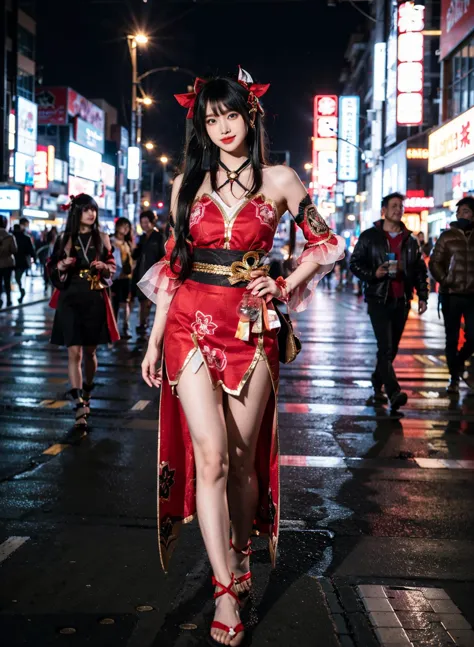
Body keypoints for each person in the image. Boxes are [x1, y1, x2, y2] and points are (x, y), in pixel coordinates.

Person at [139, 68, 345, 645]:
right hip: (187, 325)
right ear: (201, 126)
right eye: (211, 119)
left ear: (250, 114)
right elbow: (173, 271)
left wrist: (283, 285)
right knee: (210, 459)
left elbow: (326, 243)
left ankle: (242, 551)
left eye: (231, 115)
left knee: (241, 456)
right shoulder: (187, 184)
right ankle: (226, 589)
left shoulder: (281, 179)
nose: (222, 127)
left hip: (251, 328)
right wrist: (154, 341)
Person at [350, 192, 428, 415]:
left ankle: (377, 382)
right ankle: (393, 392)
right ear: (384, 210)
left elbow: (420, 270)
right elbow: (354, 263)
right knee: (385, 347)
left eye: (401, 206)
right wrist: (373, 273)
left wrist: (423, 295)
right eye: (394, 206)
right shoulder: (369, 236)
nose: (398, 210)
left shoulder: (410, 240)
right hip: (378, 299)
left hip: (402, 300)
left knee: (391, 349)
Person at [47, 194, 119, 429]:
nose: (91, 214)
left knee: (90, 353)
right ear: (76, 212)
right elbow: (51, 268)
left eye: (94, 210)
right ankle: (78, 403)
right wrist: (60, 265)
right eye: (87, 209)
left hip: (94, 299)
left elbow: (112, 270)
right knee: (74, 353)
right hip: (70, 299)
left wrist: (104, 268)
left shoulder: (102, 238)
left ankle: (87, 390)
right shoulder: (64, 238)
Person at [429, 197, 474, 393]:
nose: (461, 214)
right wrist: (445, 280)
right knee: (452, 338)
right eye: (459, 211)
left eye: (465, 211)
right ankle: (454, 379)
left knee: (472, 336)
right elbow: (434, 262)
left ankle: (457, 363)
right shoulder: (446, 236)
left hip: (472, 296)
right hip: (451, 295)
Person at [132, 210, 165, 335]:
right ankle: (142, 324)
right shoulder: (141, 238)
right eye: (142, 222)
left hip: (154, 273)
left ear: (152, 222)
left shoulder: (159, 237)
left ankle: (147, 325)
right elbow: (135, 256)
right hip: (141, 272)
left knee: (149, 301)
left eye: (146, 222)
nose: (144, 225)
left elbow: (163, 255)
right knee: (142, 300)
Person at [111, 217, 134, 339]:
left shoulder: (128, 243)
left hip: (126, 278)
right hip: (114, 278)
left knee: (125, 303)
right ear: (117, 227)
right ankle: (113, 328)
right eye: (123, 226)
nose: (125, 229)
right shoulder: (110, 241)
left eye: (127, 226)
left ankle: (125, 327)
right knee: (114, 304)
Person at [13, 217, 35, 302]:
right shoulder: (26, 237)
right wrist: (34, 257)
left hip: (15, 260)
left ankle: (21, 290)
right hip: (22, 261)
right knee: (18, 277)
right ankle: (21, 290)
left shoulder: (12, 236)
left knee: (17, 277)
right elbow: (30, 250)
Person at [0, 215, 17, 308]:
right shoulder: (9, 237)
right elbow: (14, 250)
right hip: (7, 263)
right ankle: (9, 300)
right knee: (7, 282)